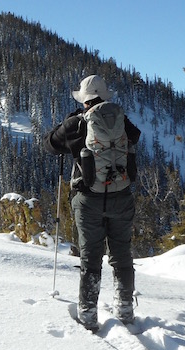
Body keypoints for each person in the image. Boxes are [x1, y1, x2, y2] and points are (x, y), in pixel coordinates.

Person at [42, 75, 141, 329]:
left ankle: (88, 314)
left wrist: (71, 122)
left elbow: (50, 145)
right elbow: (135, 136)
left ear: (84, 99)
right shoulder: (120, 118)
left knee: (91, 258)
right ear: (104, 96)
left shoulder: (76, 123)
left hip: (89, 201)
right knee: (121, 255)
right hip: (122, 197)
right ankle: (126, 309)